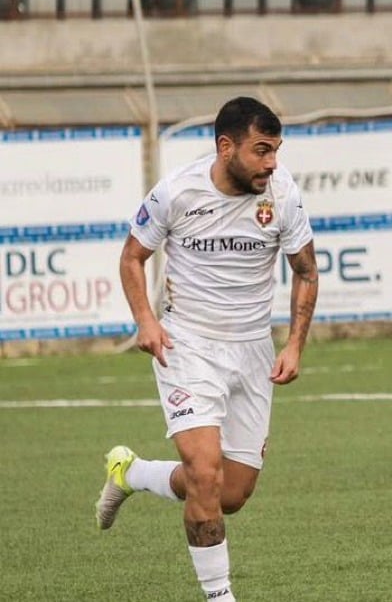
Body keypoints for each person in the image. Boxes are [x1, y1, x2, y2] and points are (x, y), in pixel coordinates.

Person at [95, 97, 318, 602]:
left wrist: (295, 345)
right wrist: (146, 321)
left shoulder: (282, 194)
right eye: (262, 150)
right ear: (226, 146)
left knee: (230, 494)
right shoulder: (177, 191)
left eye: (276, 151)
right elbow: (133, 258)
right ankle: (220, 597)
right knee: (203, 472)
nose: (272, 163)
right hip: (188, 345)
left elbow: (305, 271)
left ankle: (131, 472)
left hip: (253, 350)